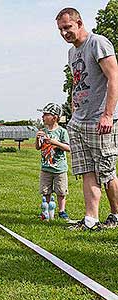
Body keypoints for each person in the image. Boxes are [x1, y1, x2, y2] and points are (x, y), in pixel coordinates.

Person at [56, 8, 118, 231]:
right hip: (79, 120)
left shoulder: (98, 43)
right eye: (61, 29)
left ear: (79, 23)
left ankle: (116, 214)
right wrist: (73, 108)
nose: (64, 33)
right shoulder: (72, 52)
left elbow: (114, 77)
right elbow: (78, 81)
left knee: (106, 170)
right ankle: (90, 220)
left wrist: (108, 115)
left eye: (68, 27)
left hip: (100, 119)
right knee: (87, 171)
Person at [35, 103, 70, 221]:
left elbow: (68, 148)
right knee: (46, 191)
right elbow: (38, 147)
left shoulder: (62, 132)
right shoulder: (43, 131)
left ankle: (61, 211)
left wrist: (56, 143)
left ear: (54, 117)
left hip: (59, 168)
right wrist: (37, 138)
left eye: (45, 114)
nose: (42, 117)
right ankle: (46, 210)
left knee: (61, 191)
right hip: (46, 168)